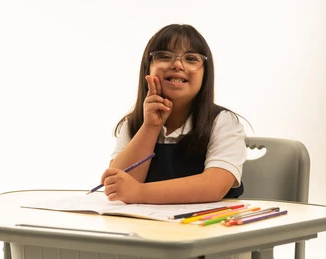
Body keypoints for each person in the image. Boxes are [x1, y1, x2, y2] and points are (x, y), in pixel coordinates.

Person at [100, 24, 247, 205]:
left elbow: (214, 186)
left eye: (191, 58)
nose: (177, 65)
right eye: (164, 56)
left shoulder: (222, 121)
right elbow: (118, 184)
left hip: (206, 227)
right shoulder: (133, 123)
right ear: (148, 68)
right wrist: (150, 127)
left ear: (205, 74)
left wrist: (139, 192)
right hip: (147, 227)